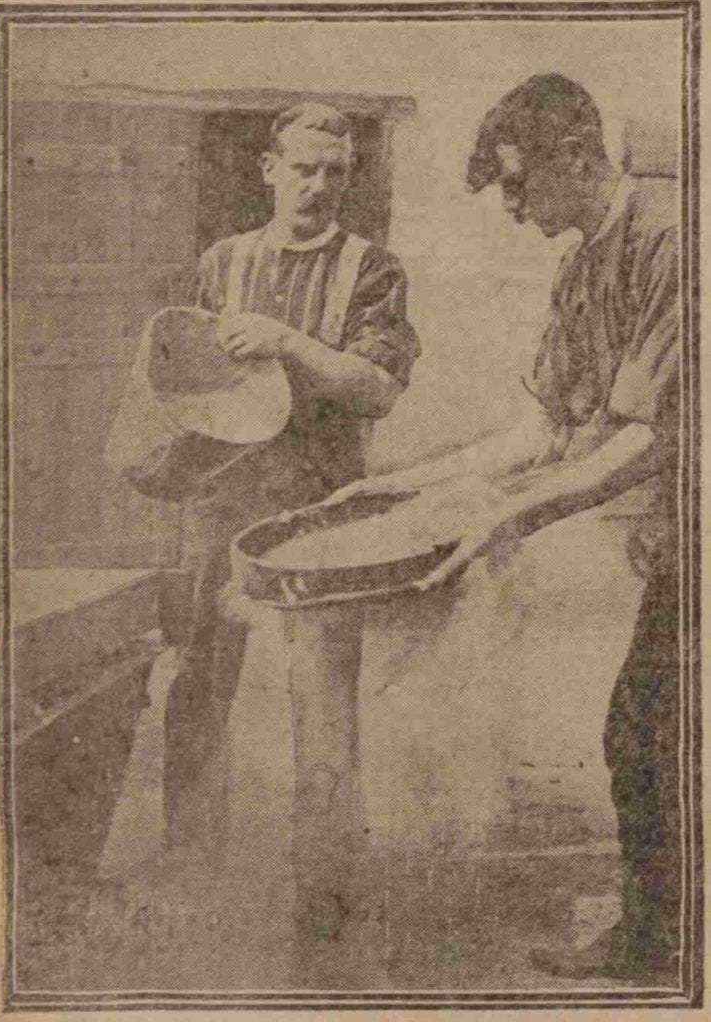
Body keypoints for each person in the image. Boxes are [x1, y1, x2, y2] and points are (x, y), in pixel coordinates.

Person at [328, 74, 680, 980]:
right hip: (679, 548)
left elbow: (652, 434)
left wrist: (506, 515)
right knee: (643, 733)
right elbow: (541, 431)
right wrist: (392, 491)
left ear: (575, 155)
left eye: (520, 185)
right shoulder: (579, 266)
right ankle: (658, 940)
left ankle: (662, 943)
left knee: (652, 732)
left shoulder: (674, 244)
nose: (514, 210)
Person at [163, 102, 420, 848]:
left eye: (334, 171)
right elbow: (183, 377)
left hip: (320, 504)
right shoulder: (222, 262)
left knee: (319, 686)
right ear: (269, 171)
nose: (318, 185)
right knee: (202, 672)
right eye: (303, 169)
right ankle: (187, 850)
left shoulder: (370, 267)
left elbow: (378, 390)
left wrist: (285, 342)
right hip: (223, 495)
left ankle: (325, 867)